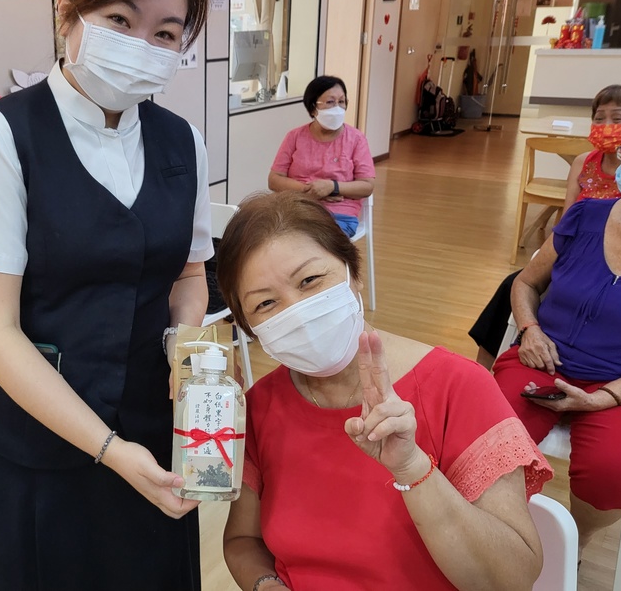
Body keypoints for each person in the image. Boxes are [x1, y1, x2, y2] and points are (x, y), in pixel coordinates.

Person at [0, 0, 211, 588]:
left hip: (150, 433)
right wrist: (108, 449)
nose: (143, 46)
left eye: (167, 33)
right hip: (34, 451)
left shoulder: (183, 143)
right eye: (120, 18)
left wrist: (187, 340)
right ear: (67, 7)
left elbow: (191, 273)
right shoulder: (0, 137)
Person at [216, 191, 552, 591]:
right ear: (248, 326)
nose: (296, 313)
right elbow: (243, 541)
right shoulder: (260, 406)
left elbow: (510, 580)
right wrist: (266, 584)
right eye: (267, 303)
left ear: (353, 271)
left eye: (310, 280)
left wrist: (413, 468)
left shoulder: (459, 388)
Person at [493, 105, 621, 558]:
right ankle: (497, 527)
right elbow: (527, 282)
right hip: (542, 356)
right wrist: (529, 329)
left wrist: (603, 399)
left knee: (611, 471)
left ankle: (576, 542)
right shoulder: (587, 215)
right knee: (489, 437)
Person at [469, 83, 621, 367]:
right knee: (513, 284)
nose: (606, 125)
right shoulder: (583, 163)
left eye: (618, 119)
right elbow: (566, 220)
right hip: (574, 253)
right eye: (599, 117)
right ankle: (481, 368)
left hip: (619, 264)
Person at [268, 75, 375, 237]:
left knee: (311, 242)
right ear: (313, 108)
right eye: (330, 102)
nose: (337, 108)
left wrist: (333, 187)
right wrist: (310, 191)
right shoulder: (295, 136)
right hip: (296, 210)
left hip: (339, 215)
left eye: (342, 101)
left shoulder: (356, 139)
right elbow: (274, 179)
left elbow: (367, 186)